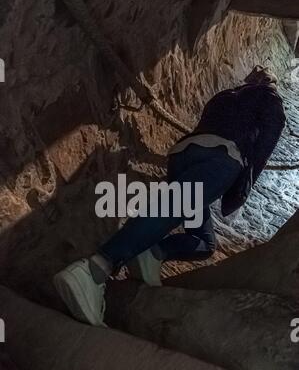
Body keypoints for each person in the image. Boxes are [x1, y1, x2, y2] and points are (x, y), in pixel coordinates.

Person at [54, 65, 286, 326]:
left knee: (204, 241)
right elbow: (262, 149)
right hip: (221, 160)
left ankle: (153, 253)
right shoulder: (271, 100)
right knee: (171, 209)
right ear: (270, 84)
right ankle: (95, 269)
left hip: (184, 155)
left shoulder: (225, 96)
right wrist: (237, 193)